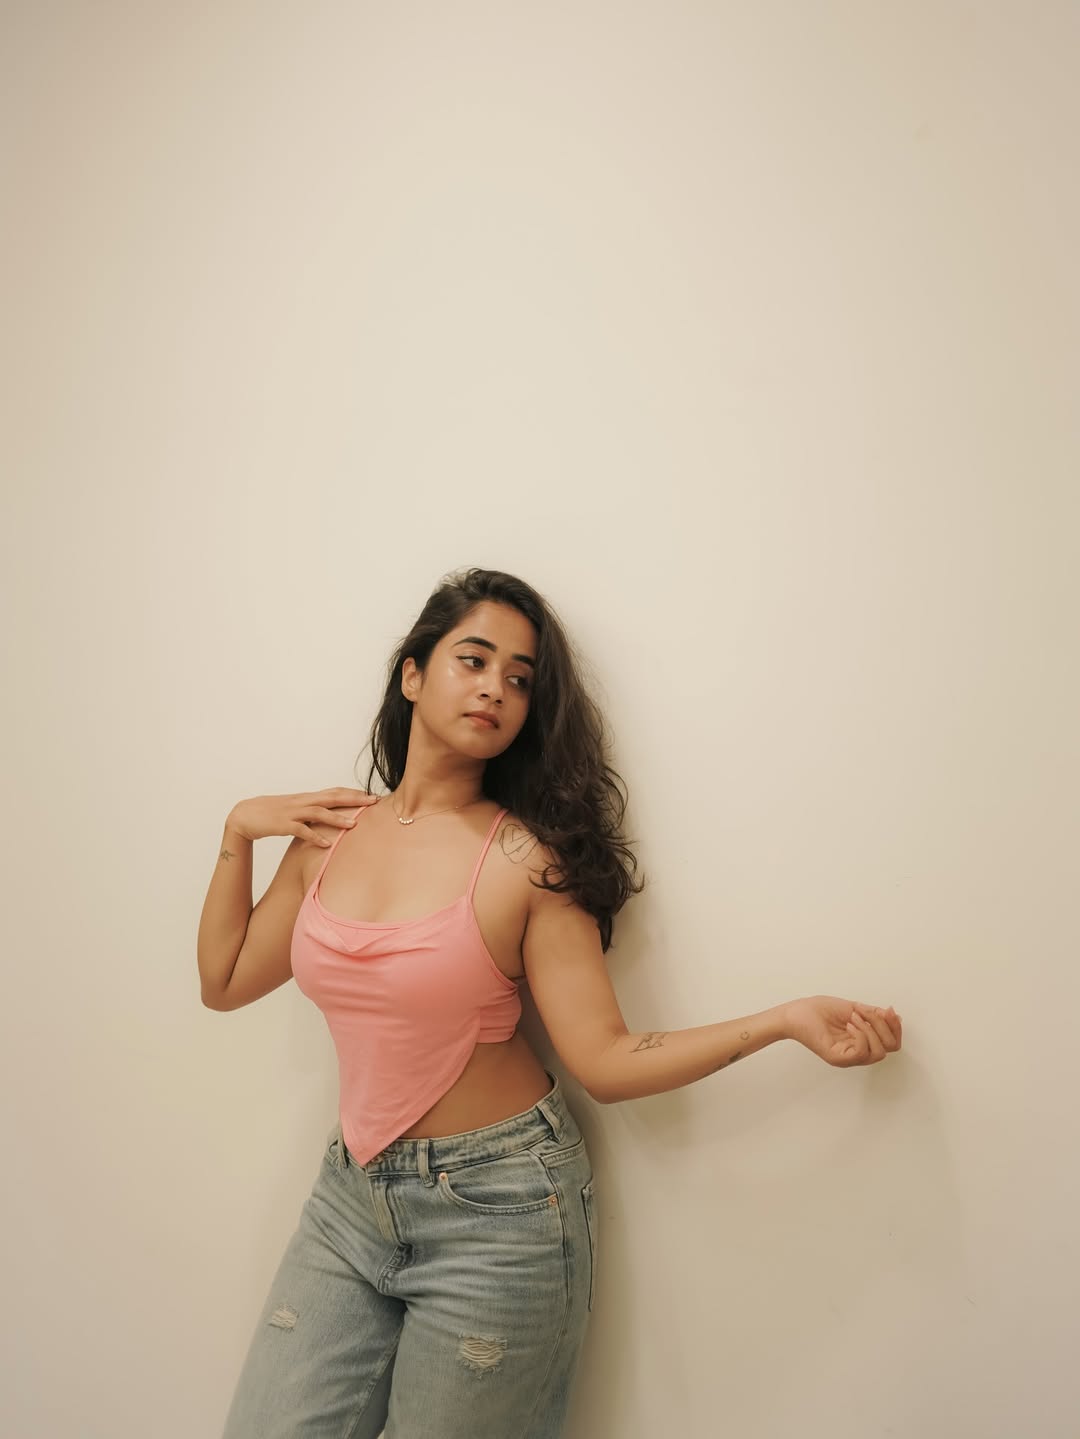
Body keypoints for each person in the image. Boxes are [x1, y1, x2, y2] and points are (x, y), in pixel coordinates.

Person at [197, 565, 902, 1438]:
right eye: (473, 660)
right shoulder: (325, 839)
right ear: (412, 674)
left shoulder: (525, 861)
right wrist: (238, 829)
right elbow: (224, 980)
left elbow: (604, 1058)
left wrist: (784, 1020)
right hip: (351, 1198)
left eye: (520, 678)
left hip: (501, 1214)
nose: (495, 687)